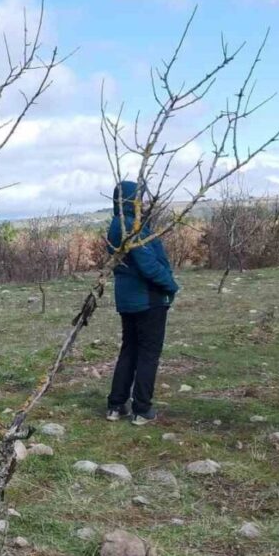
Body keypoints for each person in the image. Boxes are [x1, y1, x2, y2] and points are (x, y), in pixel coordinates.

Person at [105, 180, 180, 426]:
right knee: (148, 354)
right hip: (149, 299)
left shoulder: (118, 224)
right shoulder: (132, 227)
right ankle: (141, 410)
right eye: (141, 197)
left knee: (130, 349)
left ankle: (116, 405)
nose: (145, 201)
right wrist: (170, 285)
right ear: (130, 200)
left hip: (128, 300)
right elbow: (148, 264)